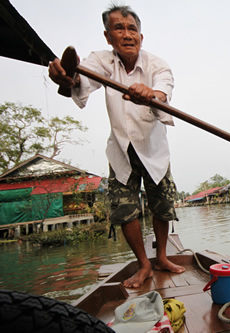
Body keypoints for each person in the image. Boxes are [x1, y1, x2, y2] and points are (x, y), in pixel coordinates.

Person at [48, 4, 185, 288]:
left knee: (162, 205)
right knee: (124, 208)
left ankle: (160, 257)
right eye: (118, 29)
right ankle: (143, 264)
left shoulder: (156, 64)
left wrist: (152, 94)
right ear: (108, 37)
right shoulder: (103, 61)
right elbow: (81, 78)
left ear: (141, 36)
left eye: (132, 29)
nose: (126, 35)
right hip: (121, 149)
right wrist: (68, 78)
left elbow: (164, 87)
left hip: (154, 148)